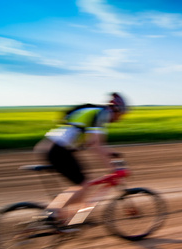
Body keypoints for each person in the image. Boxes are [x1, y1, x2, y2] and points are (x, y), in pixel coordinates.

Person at [34, 92, 128, 225]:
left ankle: (78, 218)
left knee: (82, 184)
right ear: (116, 109)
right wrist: (111, 167)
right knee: (83, 185)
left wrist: (111, 153)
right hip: (58, 150)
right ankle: (53, 214)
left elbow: (93, 142)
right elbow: (95, 144)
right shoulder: (101, 114)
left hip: (54, 147)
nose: (120, 118)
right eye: (121, 115)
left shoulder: (98, 113)